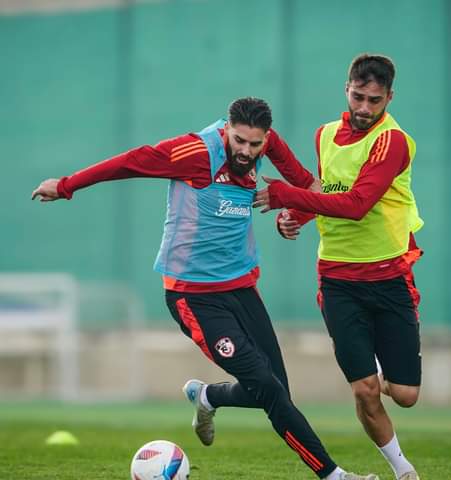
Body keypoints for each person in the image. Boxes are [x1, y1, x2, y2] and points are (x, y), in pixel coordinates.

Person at [32, 97, 378, 480]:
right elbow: (129, 162)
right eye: (240, 141)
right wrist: (65, 186)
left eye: (255, 144)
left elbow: (309, 187)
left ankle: (208, 396)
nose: (247, 151)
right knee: (268, 389)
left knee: (274, 389)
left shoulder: (270, 143)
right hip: (192, 296)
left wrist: (294, 216)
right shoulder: (193, 153)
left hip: (242, 288)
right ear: (227, 130)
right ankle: (334, 476)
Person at [254, 55, 423, 480]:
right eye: (358, 96)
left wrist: (287, 197)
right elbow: (328, 192)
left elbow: (357, 204)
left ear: (389, 97)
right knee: (365, 391)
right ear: (346, 88)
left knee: (404, 395)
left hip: (389, 277)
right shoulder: (325, 135)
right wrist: (296, 216)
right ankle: (404, 471)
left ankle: (381, 368)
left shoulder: (392, 141)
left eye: (374, 100)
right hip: (337, 280)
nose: (365, 107)